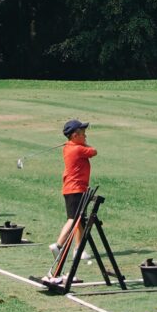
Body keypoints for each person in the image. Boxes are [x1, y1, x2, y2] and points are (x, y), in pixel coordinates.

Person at [42, 119, 95, 287]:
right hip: (76, 190)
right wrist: (83, 144)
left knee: (79, 221)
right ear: (74, 135)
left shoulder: (70, 147)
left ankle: (78, 250)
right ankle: (58, 244)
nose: (85, 135)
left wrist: (78, 142)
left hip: (73, 189)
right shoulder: (78, 149)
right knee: (73, 220)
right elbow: (94, 151)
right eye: (82, 133)